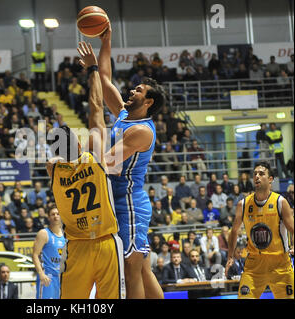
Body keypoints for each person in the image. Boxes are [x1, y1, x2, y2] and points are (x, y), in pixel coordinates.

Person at [46, 41, 125, 299]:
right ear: (79, 143)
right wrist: (93, 69)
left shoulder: (54, 170)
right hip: (105, 241)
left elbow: (55, 154)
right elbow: (96, 108)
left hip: (76, 246)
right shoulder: (95, 158)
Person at [99, 23, 166, 299]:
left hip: (129, 202)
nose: (131, 91)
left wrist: (76, 160)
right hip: (119, 199)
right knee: (142, 269)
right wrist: (106, 40)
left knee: (131, 267)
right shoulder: (126, 116)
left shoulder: (141, 131)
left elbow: (107, 162)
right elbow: (104, 79)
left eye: (138, 90)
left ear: (148, 101)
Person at [225, 161, 294, 299]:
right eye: (255, 173)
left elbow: (293, 228)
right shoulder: (243, 204)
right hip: (254, 264)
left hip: (280, 262)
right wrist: (230, 257)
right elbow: (233, 231)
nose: (256, 176)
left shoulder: (280, 202)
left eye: (261, 173)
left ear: (270, 179)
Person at [32, 206, 66, 299]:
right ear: (48, 217)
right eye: (53, 214)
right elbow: (35, 255)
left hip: (62, 277)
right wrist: (41, 274)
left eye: (58, 214)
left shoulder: (66, 234)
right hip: (48, 276)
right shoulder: (44, 233)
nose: (56, 216)